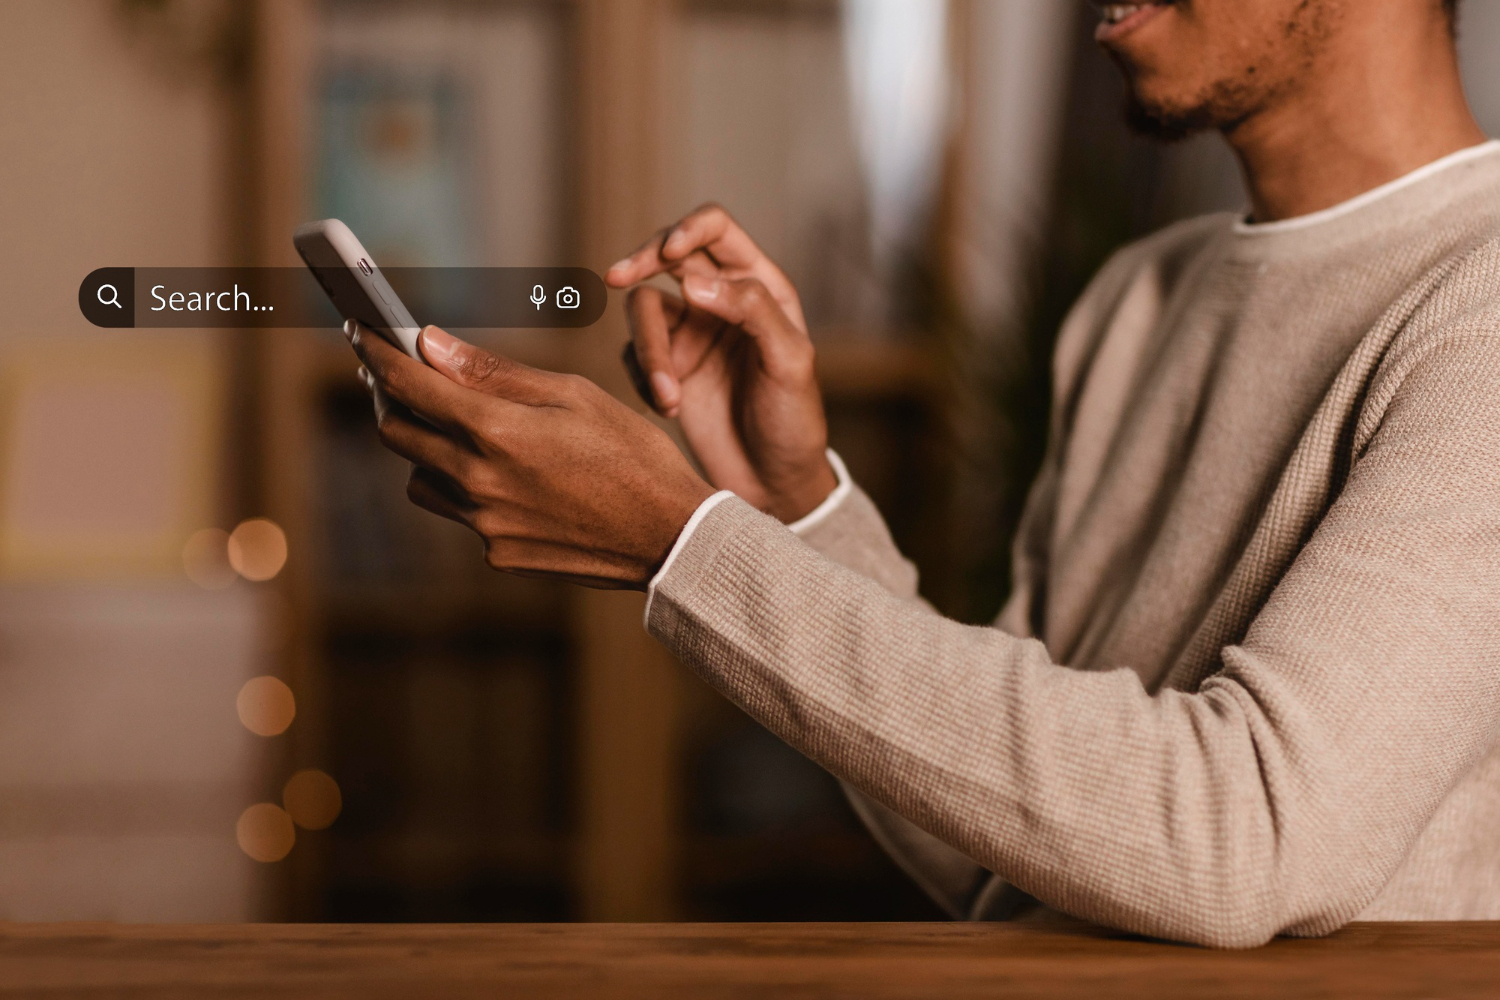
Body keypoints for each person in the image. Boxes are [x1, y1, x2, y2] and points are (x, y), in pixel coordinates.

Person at [349, 0, 1500, 946]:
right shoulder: (1138, 300)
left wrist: (685, 543)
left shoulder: (1479, 302)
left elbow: (1245, 836)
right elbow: (1010, 842)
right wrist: (793, 507)